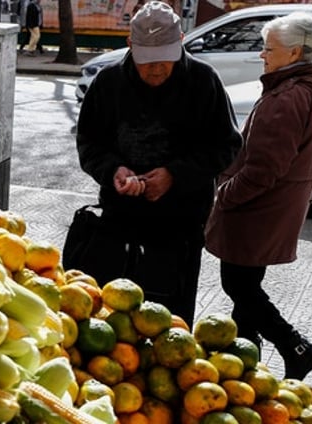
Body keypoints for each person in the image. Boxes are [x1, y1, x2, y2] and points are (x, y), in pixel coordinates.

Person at [74, 1, 242, 325]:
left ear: (180, 41)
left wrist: (175, 176)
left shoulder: (204, 81)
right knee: (112, 318)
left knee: (170, 320)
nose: (155, 69)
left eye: (164, 59)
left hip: (180, 224)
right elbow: (89, 144)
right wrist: (113, 172)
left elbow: (227, 145)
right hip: (118, 220)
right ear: (130, 46)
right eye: (147, 60)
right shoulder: (108, 83)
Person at [204, 12, 312, 380]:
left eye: (269, 49)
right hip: (275, 208)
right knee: (245, 287)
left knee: (238, 285)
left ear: (295, 52)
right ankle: (245, 363)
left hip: (257, 210)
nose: (262, 55)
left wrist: (225, 195)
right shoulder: (307, 90)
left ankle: (296, 348)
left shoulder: (287, 98)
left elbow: (263, 169)